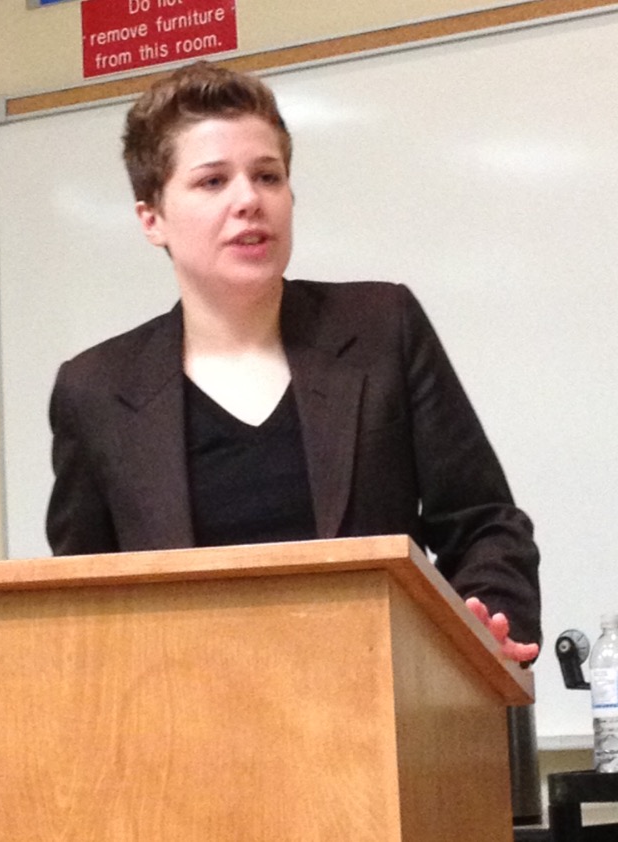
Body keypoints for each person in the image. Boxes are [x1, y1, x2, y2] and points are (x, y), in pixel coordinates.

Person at [46, 60, 540, 663]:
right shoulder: (96, 390)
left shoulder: (381, 327)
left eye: (267, 176)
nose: (249, 200)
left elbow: (484, 522)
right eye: (212, 181)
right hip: (187, 707)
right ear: (152, 219)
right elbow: (83, 606)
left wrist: (484, 619)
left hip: (378, 692)